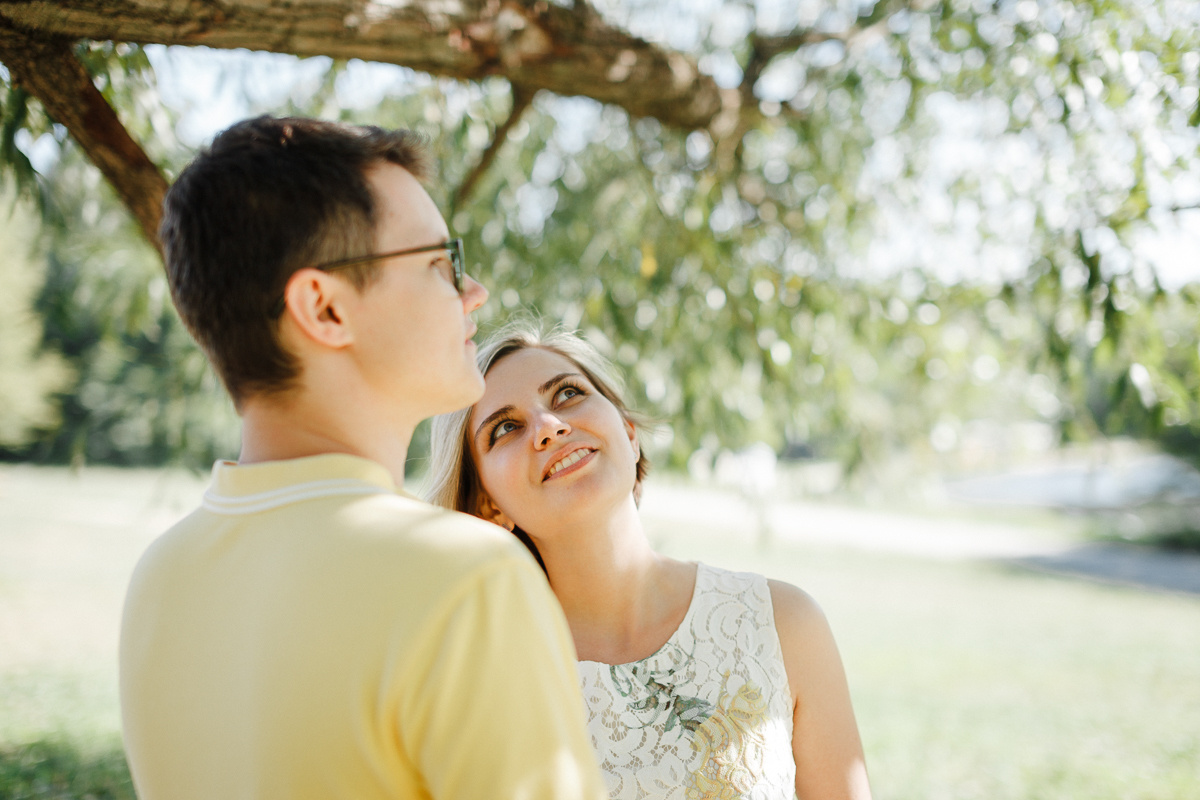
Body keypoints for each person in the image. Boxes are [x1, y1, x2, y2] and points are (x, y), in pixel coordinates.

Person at [119, 117, 607, 800]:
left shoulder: (159, 578)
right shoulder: (465, 579)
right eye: (439, 263)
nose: (474, 292)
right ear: (324, 308)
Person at [427, 320, 872, 800]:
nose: (550, 426)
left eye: (568, 394)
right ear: (488, 506)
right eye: (506, 428)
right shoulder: (473, 680)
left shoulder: (782, 625)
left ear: (629, 433)